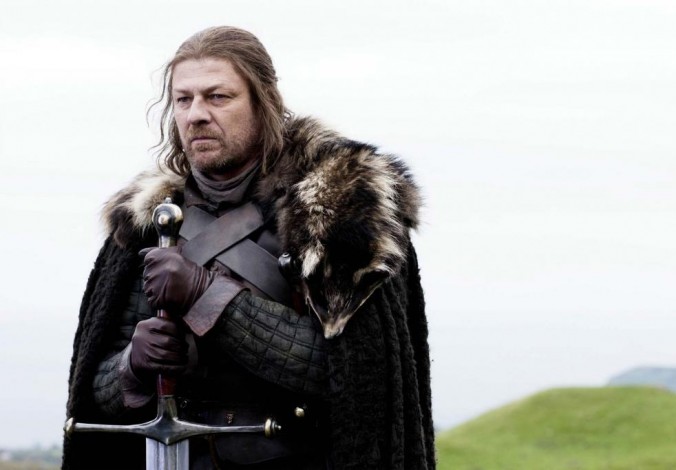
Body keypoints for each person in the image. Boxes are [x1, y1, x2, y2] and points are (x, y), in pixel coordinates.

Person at [63, 26, 434, 470]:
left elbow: (356, 376)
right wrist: (133, 366)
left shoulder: (338, 212)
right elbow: (95, 395)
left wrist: (207, 296)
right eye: (183, 99)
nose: (196, 115)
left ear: (264, 102)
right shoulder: (145, 223)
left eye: (218, 97)